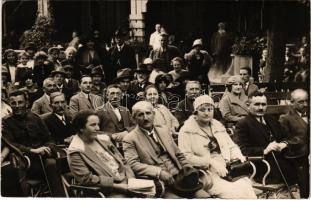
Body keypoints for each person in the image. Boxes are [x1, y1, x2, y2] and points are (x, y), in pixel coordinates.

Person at [122, 101, 210, 198]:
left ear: (154, 114)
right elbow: (133, 164)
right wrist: (159, 172)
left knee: (205, 197)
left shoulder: (163, 130)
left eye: (148, 113)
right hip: (161, 184)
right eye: (140, 115)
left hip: (181, 179)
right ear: (134, 119)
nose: (146, 118)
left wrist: (188, 168)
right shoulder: (130, 139)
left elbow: (178, 154)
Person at [178, 95, 256, 198]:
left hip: (228, 169)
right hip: (206, 174)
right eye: (202, 110)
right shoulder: (187, 130)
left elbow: (231, 146)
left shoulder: (217, 125)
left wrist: (238, 156)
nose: (207, 113)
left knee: (246, 187)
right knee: (235, 193)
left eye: (210, 109)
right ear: (196, 112)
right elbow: (186, 157)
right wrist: (210, 161)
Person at [2, 90, 65, 196]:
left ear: (27, 103)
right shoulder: (6, 122)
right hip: (24, 161)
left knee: (56, 163)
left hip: (43, 157)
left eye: (20, 102)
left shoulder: (35, 118)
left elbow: (49, 138)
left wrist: (46, 148)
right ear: (10, 104)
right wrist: (32, 151)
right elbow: (11, 144)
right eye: (13, 103)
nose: (17, 106)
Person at [67, 110, 139, 198]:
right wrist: (117, 186)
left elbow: (123, 161)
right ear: (81, 128)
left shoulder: (103, 140)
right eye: (93, 125)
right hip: (105, 191)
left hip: (125, 180)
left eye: (98, 124)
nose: (98, 128)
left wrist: (132, 179)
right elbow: (86, 179)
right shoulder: (76, 150)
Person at [234, 91, 298, 188]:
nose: (261, 108)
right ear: (248, 105)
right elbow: (242, 150)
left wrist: (283, 144)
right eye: (257, 104)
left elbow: (286, 136)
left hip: (280, 158)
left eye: (263, 104)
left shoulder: (271, 119)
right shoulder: (242, 124)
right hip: (262, 165)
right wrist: (265, 150)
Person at [279, 89, 309, 198]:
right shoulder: (285, 118)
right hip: (298, 153)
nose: (305, 104)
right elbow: (285, 139)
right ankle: (304, 197)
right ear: (292, 102)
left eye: (306, 101)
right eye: (300, 102)